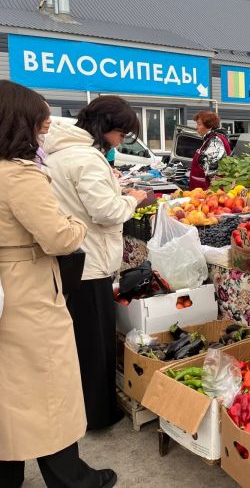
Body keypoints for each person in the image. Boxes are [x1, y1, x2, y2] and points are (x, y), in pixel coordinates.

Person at [0, 81, 117, 487]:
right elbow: (60, 237)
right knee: (49, 387)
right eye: (39, 124)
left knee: (9, 391)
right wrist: (75, 221)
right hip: (28, 286)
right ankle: (73, 479)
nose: (43, 132)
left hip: (7, 286)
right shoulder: (19, 176)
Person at [44, 96, 147, 431]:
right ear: (107, 127)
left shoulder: (59, 152)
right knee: (95, 344)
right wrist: (132, 198)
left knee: (80, 342)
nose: (121, 141)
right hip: (90, 263)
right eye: (122, 133)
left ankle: (85, 408)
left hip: (72, 259)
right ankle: (98, 414)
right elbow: (105, 212)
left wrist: (114, 187)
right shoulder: (86, 158)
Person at [189, 111, 231, 189]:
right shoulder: (210, 139)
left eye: (199, 124)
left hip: (205, 191)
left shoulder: (216, 141)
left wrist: (211, 193)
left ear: (209, 125)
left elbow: (214, 173)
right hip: (200, 190)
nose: (196, 127)